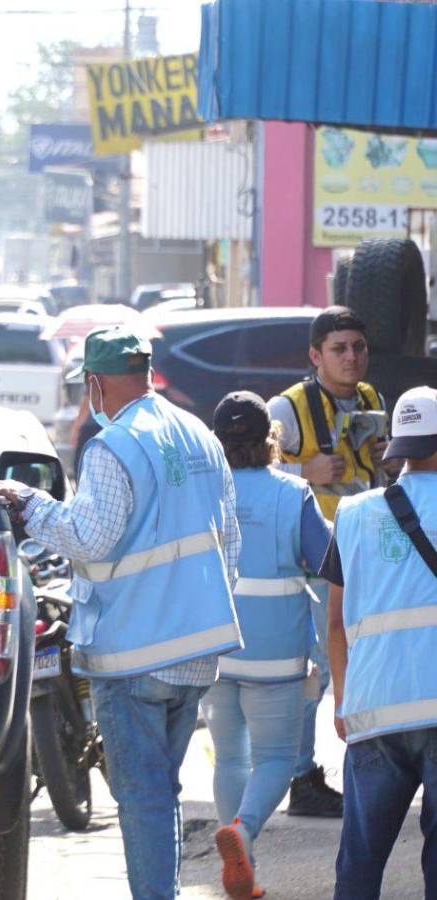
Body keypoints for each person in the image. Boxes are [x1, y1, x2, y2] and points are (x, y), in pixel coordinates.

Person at [0, 325, 242, 900]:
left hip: (135, 655)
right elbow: (231, 537)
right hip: (197, 651)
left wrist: (31, 503)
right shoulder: (198, 433)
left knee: (144, 794)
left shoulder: (113, 444)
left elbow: (90, 537)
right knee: (161, 790)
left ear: (96, 384)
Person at [267, 306, 398, 818]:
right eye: (339, 349)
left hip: (363, 550)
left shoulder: (370, 399)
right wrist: (307, 466)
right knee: (320, 670)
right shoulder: (288, 408)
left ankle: (368, 764)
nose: (351, 357)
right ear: (315, 355)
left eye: (358, 348)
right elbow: (247, 467)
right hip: (314, 558)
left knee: (363, 660)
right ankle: (303, 776)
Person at [202, 392, 332, 900]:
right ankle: (245, 831)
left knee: (229, 758)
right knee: (276, 756)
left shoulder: (204, 494)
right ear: (270, 440)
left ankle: (244, 870)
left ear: (217, 443)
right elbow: (325, 565)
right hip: (276, 654)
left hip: (214, 647)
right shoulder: (292, 493)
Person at [320, 385, 437, 899]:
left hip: (374, 709)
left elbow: (335, 623)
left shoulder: (353, 514)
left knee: (361, 862)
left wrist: (344, 699)